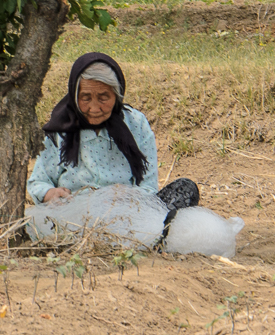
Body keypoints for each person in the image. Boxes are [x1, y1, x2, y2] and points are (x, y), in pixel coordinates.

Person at [27, 52, 199, 220]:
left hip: (128, 214)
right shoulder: (61, 128)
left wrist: (128, 195)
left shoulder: (136, 123)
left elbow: (148, 187)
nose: (94, 108)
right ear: (74, 95)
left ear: (117, 96)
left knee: (185, 188)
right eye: (85, 98)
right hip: (75, 217)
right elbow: (38, 182)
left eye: (103, 98)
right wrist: (50, 193)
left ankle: (149, 238)